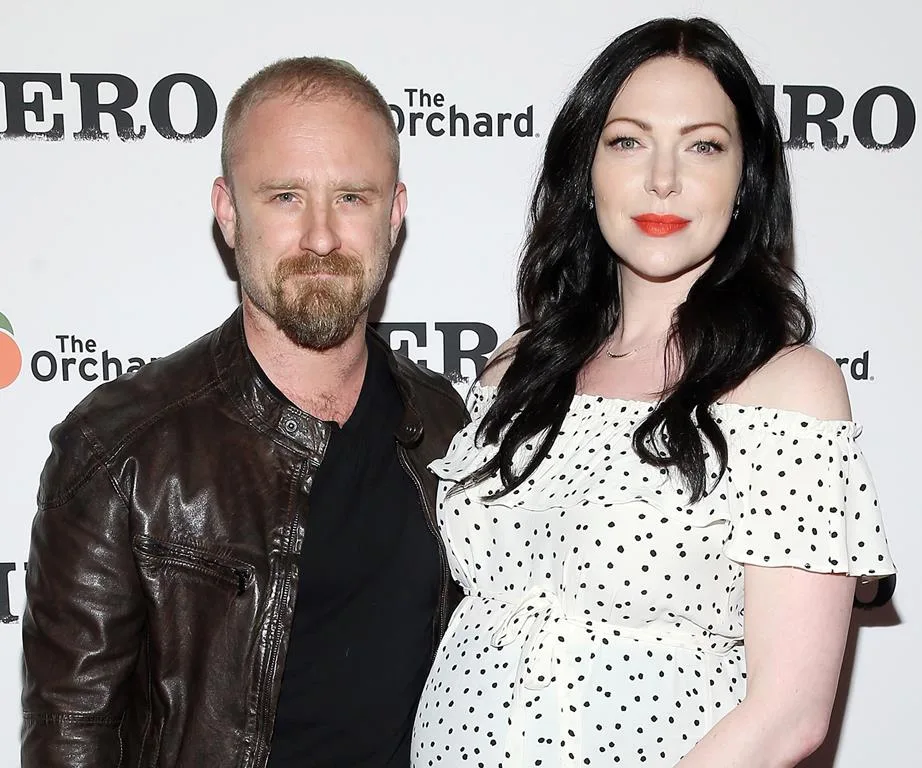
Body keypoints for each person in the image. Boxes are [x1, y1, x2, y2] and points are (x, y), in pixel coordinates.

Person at [412, 17, 895, 768]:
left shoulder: (788, 388)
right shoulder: (515, 367)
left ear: (746, 180)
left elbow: (789, 714)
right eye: (628, 141)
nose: (662, 177)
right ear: (586, 169)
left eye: (703, 145)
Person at [22, 57, 467, 768]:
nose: (321, 237)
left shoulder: (448, 428)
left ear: (394, 213)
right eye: (286, 196)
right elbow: (71, 733)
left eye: (352, 197)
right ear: (229, 212)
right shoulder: (119, 448)